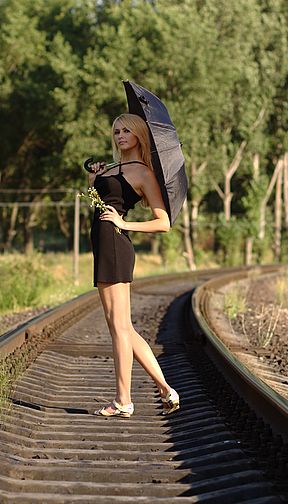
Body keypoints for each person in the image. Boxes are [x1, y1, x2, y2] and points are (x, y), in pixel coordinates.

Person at [88, 112, 180, 418]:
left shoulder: (142, 172)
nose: (120, 135)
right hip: (102, 245)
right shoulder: (113, 167)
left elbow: (163, 222)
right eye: (116, 131)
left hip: (115, 245)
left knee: (118, 327)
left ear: (140, 135)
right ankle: (165, 389)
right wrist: (94, 179)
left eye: (127, 130)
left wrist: (125, 224)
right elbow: (99, 204)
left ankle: (123, 400)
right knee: (123, 326)